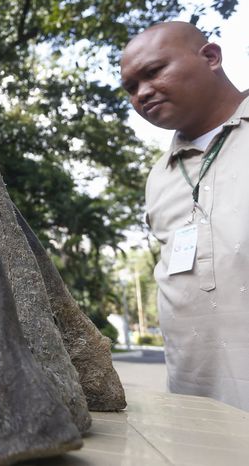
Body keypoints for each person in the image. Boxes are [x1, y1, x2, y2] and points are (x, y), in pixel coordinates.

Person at [120, 21, 249, 410]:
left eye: (153, 71)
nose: (141, 93)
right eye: (130, 88)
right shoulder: (159, 177)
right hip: (195, 412)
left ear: (210, 57)